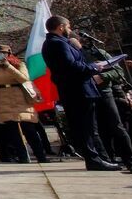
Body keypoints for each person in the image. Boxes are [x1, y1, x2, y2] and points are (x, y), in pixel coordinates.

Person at [41, 15, 118, 171]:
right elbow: (71, 66)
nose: (70, 30)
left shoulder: (57, 43)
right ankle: (94, 160)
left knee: (89, 128)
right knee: (85, 128)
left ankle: (99, 158)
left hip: (76, 90)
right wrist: (94, 67)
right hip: (77, 91)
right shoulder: (57, 43)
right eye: (68, 26)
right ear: (60, 27)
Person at [78, 35, 132, 173]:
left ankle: (130, 160)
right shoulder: (75, 56)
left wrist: (102, 76)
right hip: (88, 95)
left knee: (117, 126)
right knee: (99, 130)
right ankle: (108, 159)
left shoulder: (98, 53)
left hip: (105, 93)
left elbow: (118, 72)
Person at [0, 45, 48, 163]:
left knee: (29, 129)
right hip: (3, 97)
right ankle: (23, 157)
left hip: (20, 96)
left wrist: (8, 66)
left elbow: (24, 78)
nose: (1, 56)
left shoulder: (18, 64)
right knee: (13, 131)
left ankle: (41, 156)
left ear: (9, 53)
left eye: (4, 53)